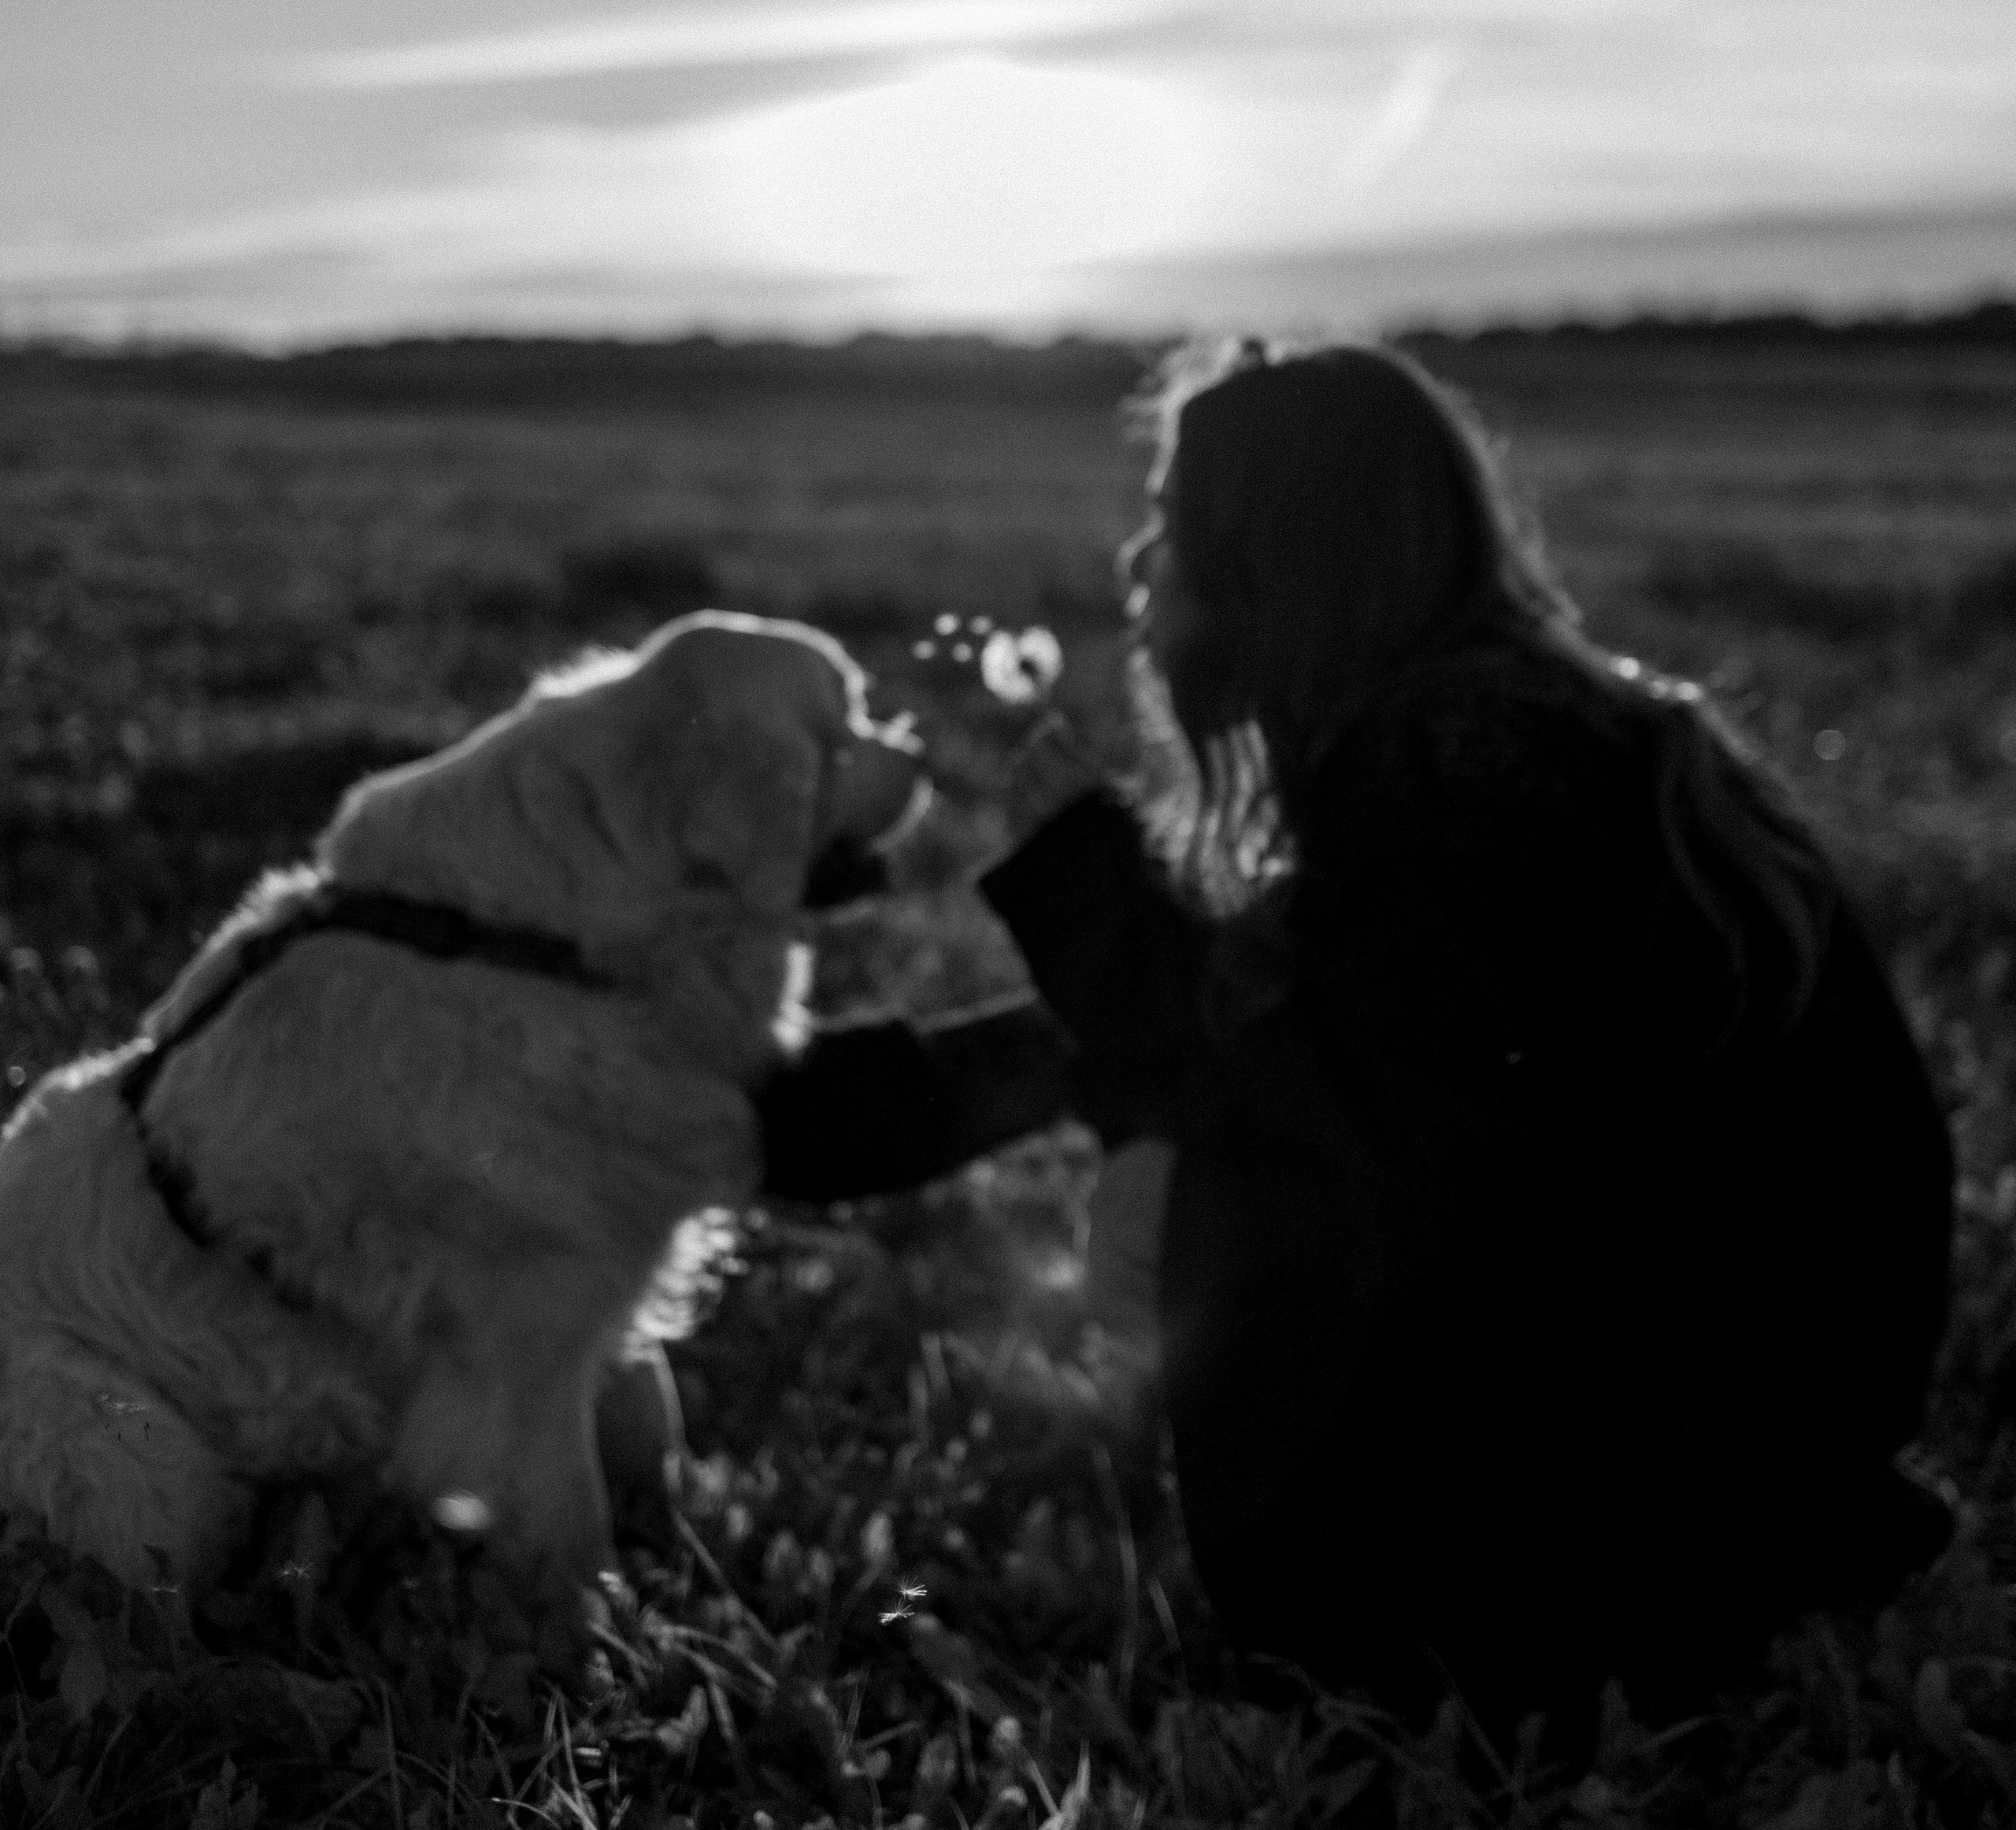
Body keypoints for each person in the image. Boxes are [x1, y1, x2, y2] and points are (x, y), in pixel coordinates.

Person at [756, 339, 1955, 1743]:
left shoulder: (1476, 785)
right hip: (1757, 1460)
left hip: (1655, 1536)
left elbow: (1298, 1110)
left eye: (1174, 525)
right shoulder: (1528, 738)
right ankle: (751, 1115)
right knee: (1194, 1100)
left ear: (1276, 564)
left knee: (1180, 1185)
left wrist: (1092, 883)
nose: (1138, 564)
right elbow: (1293, 1038)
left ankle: (1391, 1610)